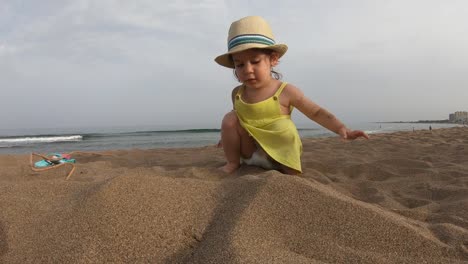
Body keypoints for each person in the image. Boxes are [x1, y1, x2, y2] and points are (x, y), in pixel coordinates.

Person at [215, 16, 369, 174]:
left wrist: (341, 128)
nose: (247, 70)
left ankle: (290, 172)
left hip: (279, 157)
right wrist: (228, 137)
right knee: (230, 118)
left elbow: (316, 112)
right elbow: (238, 121)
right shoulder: (237, 93)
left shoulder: (285, 91)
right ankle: (233, 163)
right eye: (239, 64)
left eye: (255, 61)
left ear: (273, 59)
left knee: (285, 129)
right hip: (250, 154)